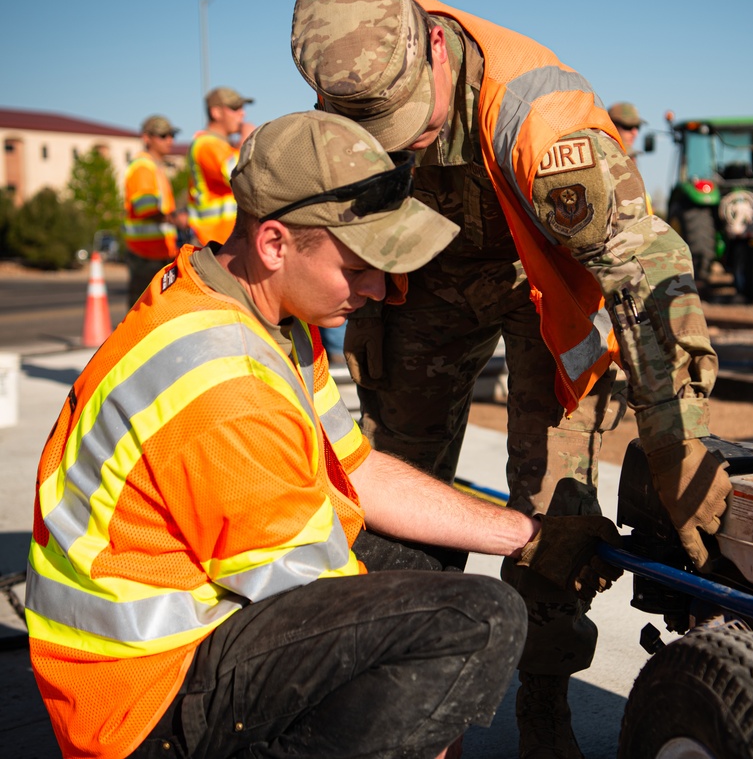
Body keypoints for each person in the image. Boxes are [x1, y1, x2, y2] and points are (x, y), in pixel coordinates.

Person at [25, 110, 623, 759]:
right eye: (360, 264)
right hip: (141, 703)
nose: (381, 289)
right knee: (477, 621)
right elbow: (326, 597)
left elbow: (358, 471)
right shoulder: (227, 391)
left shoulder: (263, 310)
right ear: (276, 243)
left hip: (186, 624)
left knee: (428, 564)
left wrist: (527, 535)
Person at [290, 0, 731, 756]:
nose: (400, 139)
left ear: (431, 42)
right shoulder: (347, 81)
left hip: (540, 287)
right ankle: (396, 700)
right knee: (396, 487)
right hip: (416, 288)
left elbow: (643, 269)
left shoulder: (539, 115)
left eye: (403, 115)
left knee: (555, 508)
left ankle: (542, 699)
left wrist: (674, 440)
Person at [122, 115, 182, 305]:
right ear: (147, 138)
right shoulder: (143, 166)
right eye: (163, 135)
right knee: (143, 311)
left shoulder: (155, 166)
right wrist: (175, 219)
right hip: (146, 254)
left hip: (156, 253)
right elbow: (145, 208)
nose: (169, 140)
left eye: (171, 135)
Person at [186, 86, 255, 247]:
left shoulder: (224, 146)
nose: (242, 113)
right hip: (211, 241)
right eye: (234, 108)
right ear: (215, 112)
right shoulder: (206, 143)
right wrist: (247, 139)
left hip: (223, 240)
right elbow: (237, 174)